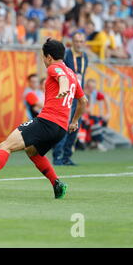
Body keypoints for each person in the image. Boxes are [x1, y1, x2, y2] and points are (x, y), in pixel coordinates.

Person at [0, 39, 88, 198]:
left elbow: (61, 78)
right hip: (61, 128)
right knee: (32, 151)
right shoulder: (72, 74)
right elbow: (83, 101)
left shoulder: (54, 68)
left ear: (48, 57)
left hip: (47, 122)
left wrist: (62, 88)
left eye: (43, 57)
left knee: (5, 145)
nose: (44, 60)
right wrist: (74, 121)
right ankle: (57, 184)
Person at [52, 31, 88, 166]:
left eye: (81, 41)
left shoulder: (85, 57)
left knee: (75, 126)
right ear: (72, 42)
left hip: (78, 96)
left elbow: (81, 76)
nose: (79, 44)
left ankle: (67, 156)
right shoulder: (67, 55)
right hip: (67, 97)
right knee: (64, 126)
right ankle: (57, 156)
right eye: (77, 41)